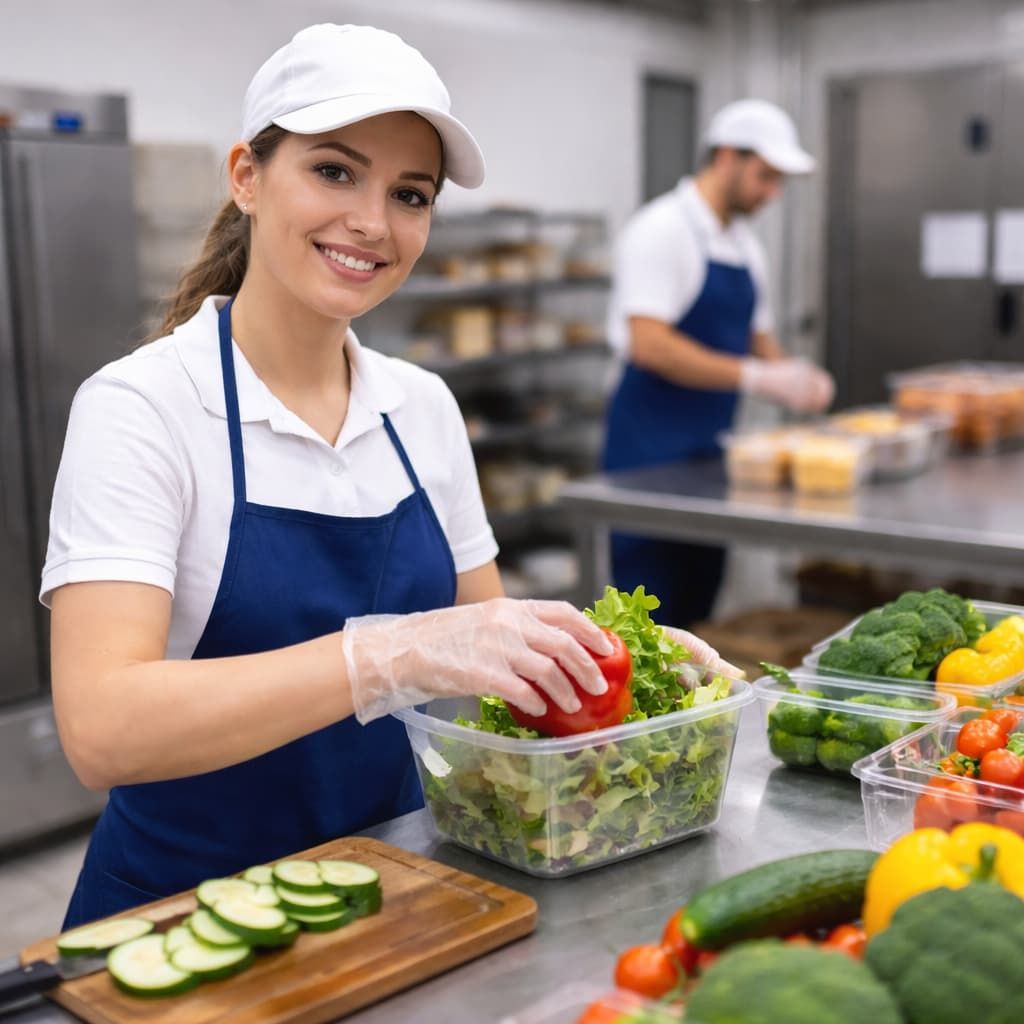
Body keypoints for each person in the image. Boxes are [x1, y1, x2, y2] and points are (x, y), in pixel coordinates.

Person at [43, 24, 735, 928]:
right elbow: (103, 727)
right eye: (334, 171)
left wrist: (617, 668)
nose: (373, 221)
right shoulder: (143, 406)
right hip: (180, 917)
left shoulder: (421, 407)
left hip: (395, 893)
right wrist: (386, 656)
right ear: (247, 178)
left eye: (410, 193)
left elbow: (492, 657)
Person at [601, 98, 835, 630]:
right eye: (765, 176)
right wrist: (757, 376)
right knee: (645, 624)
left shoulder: (744, 246)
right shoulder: (661, 229)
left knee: (698, 616)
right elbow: (649, 344)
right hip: (647, 458)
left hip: (711, 459)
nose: (772, 193)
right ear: (727, 157)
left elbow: (755, 334)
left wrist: (794, 376)